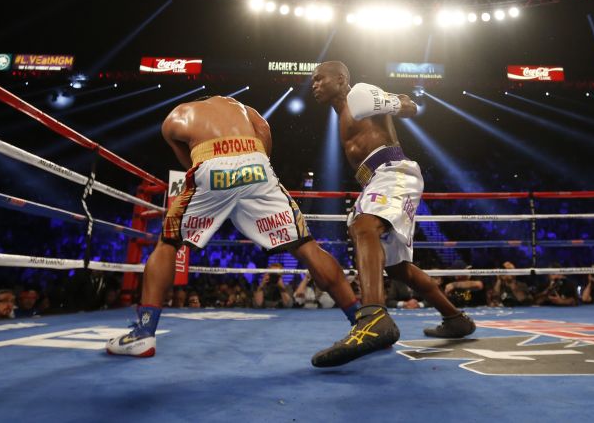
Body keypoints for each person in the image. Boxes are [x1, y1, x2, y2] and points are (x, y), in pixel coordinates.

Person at [106, 95, 363, 360]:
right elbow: (264, 128)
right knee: (305, 246)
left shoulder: (178, 114)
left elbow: (190, 163)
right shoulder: (239, 106)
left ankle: (144, 333)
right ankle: (362, 323)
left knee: (169, 243)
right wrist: (255, 166)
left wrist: (219, 177)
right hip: (256, 163)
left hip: (210, 165)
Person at [309, 61, 475, 367]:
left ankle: (372, 318)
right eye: (313, 81)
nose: (314, 84)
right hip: (377, 178)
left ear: (341, 79)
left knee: (363, 228)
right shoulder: (342, 112)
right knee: (398, 267)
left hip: (393, 170)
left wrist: (391, 102)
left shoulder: (360, 92)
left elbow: (410, 105)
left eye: (320, 79)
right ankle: (455, 318)